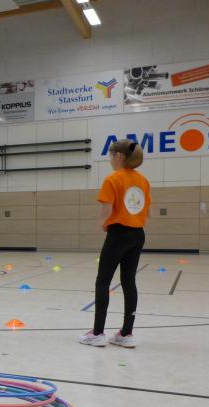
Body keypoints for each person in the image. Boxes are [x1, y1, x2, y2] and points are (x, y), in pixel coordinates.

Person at [80, 140, 151, 348]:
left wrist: (102, 224)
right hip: (138, 234)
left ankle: (97, 333)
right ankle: (126, 334)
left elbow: (107, 210)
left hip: (118, 234)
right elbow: (147, 211)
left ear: (119, 156)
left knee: (103, 281)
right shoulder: (143, 181)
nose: (110, 160)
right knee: (129, 281)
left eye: (111, 156)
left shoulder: (113, 179)